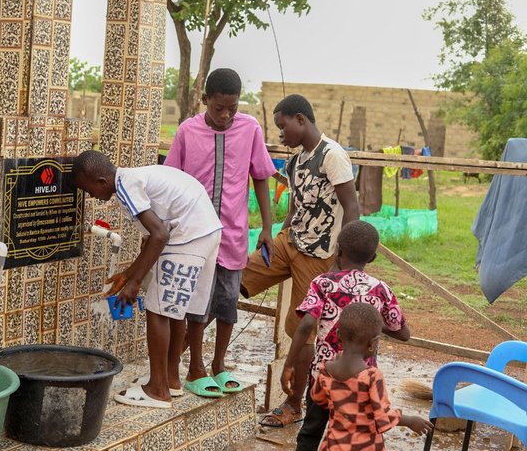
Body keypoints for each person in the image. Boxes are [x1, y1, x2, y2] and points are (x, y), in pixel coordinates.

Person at [241, 93, 360, 427]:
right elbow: (296, 205)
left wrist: (343, 263)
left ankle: (293, 405)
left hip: (320, 255)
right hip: (289, 243)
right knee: (235, 278)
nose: (281, 136)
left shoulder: (332, 156)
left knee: (301, 330)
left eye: (283, 127)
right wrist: (280, 232)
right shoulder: (296, 162)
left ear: (301, 120)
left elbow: (351, 207)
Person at [164, 68, 281, 397]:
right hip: (194, 235)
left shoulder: (250, 129)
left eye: (233, 108)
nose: (227, 115)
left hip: (233, 234)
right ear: (205, 101)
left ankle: (219, 364)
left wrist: (268, 228)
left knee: (229, 302)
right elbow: (173, 181)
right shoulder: (187, 131)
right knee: (198, 304)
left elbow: (260, 175)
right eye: (219, 108)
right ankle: (195, 367)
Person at [73, 150, 222, 408]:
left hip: (187, 235)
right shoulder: (133, 178)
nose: (92, 197)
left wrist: (134, 283)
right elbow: (152, 239)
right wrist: (128, 274)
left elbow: (160, 236)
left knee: (157, 310)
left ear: (101, 181)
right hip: (206, 231)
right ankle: (170, 379)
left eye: (89, 191)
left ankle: (157, 390)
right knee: (174, 310)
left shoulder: (125, 186)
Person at [282, 220, 410, 451]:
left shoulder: (322, 283)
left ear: (338, 250)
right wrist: (375, 325)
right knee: (359, 436)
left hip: (324, 376)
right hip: (362, 382)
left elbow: (307, 323)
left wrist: (289, 365)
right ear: (373, 257)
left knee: (311, 433)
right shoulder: (381, 290)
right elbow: (403, 333)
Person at [308, 302, 432, 451]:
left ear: (338, 335)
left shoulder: (326, 369)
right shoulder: (371, 376)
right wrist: (410, 420)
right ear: (373, 344)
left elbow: (317, 398)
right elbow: (383, 418)